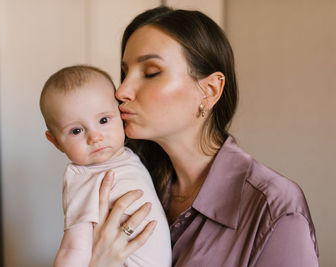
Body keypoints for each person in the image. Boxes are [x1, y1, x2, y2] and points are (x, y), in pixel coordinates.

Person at [88, 6, 319, 267]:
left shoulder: (275, 209)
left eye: (151, 72)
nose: (122, 91)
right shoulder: (131, 184)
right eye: (124, 73)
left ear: (209, 90)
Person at [39, 65, 172, 267]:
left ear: (121, 113)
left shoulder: (128, 154)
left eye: (103, 120)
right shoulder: (82, 177)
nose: (95, 137)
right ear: (56, 141)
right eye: (76, 131)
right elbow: (74, 247)